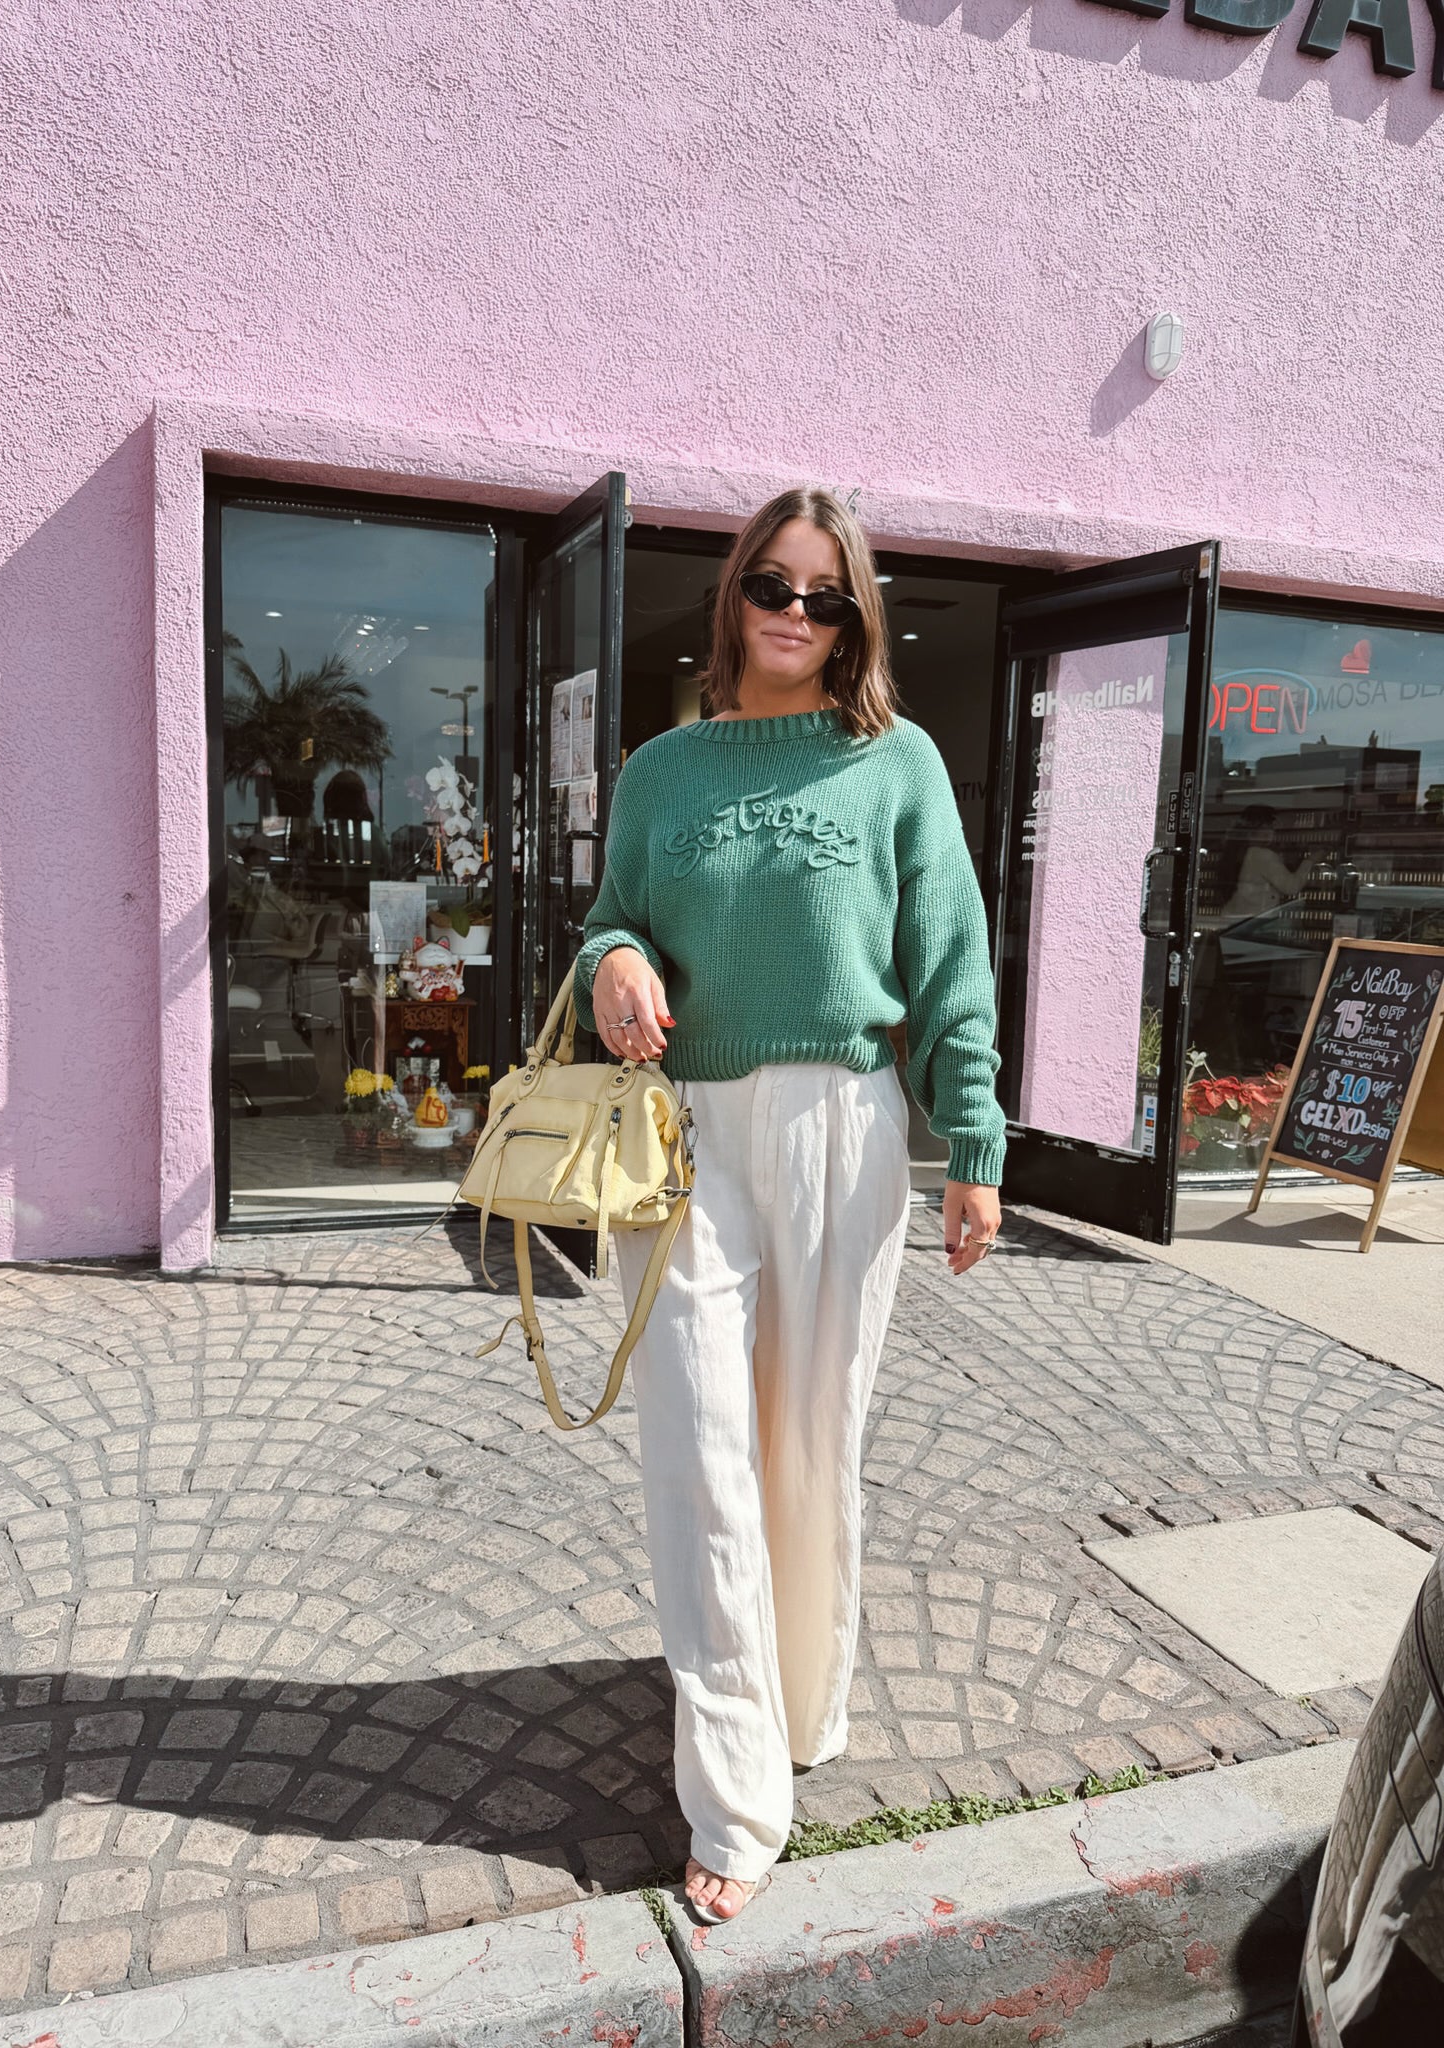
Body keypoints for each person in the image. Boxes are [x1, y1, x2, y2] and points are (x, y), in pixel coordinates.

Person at [571, 488, 1005, 1925]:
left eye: (827, 595)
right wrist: (618, 958)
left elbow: (948, 962)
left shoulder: (897, 765)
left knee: (811, 1439)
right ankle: (741, 1793)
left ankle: (801, 1702)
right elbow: (607, 923)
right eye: (774, 581)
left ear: (858, 618)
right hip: (680, 1133)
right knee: (698, 1450)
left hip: (845, 1123)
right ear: (733, 593)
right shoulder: (661, 770)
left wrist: (980, 1142)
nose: (795, 613)